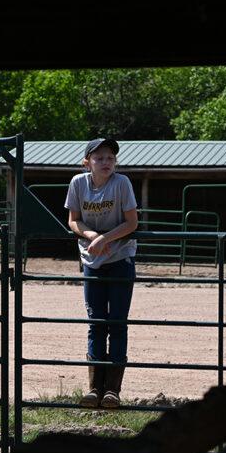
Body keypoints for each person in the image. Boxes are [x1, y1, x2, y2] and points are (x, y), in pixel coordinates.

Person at [65, 138, 138, 408]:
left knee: (117, 322)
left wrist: (105, 239)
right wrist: (93, 236)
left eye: (110, 157)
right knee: (96, 323)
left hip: (120, 257)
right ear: (87, 163)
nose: (106, 162)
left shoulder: (122, 184)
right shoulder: (77, 184)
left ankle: (112, 391)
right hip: (92, 259)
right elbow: (73, 219)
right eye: (99, 158)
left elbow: (132, 223)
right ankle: (94, 389)